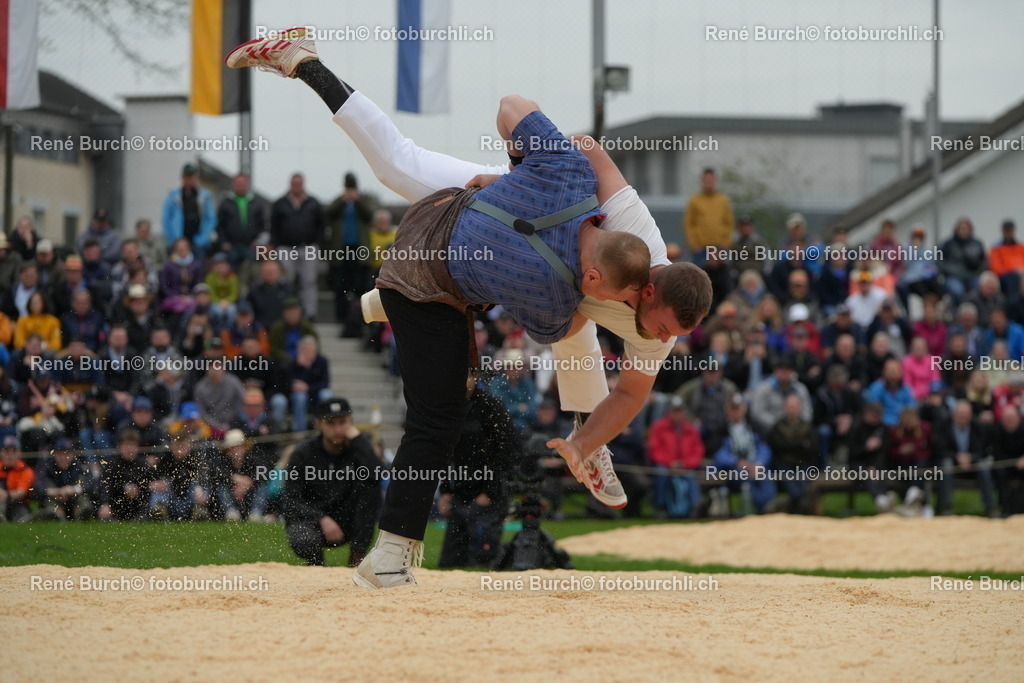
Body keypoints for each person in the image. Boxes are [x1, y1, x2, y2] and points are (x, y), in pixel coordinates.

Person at [228, 29, 713, 578]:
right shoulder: (631, 228)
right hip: (517, 204)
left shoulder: (655, 319)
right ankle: (304, 62)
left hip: (528, 253)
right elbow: (583, 146)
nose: (661, 339)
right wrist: (518, 171)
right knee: (396, 166)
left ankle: (585, 436)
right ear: (646, 288)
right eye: (660, 326)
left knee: (567, 320)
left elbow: (630, 392)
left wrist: (583, 442)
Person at [283, 398, 382, 566]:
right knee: (303, 537)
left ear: (351, 422)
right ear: (319, 424)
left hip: (349, 520)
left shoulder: (359, 448)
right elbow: (290, 500)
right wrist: (321, 518)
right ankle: (317, 564)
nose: (337, 429)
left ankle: (357, 558)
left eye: (343, 422)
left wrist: (358, 440)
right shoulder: (303, 453)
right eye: (330, 423)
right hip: (314, 521)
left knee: (370, 486)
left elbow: (377, 473)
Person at [437, 379, 519, 568]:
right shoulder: (449, 409)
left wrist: (490, 491)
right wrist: (446, 490)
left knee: (484, 561)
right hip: (460, 493)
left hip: (489, 495)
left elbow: (506, 452)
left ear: (474, 376)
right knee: (449, 563)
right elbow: (445, 452)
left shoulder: (491, 406)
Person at [325, 172, 378, 327]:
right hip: (341, 251)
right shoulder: (340, 200)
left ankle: (361, 318)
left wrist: (357, 200)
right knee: (340, 286)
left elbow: (370, 215)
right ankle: (341, 318)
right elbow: (328, 213)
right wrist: (342, 200)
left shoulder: (363, 200)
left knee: (360, 286)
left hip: (359, 251)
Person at [271, 173, 326, 319]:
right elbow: (273, 226)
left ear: (303, 184)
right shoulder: (280, 203)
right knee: (285, 281)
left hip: (308, 247)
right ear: (290, 184)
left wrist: (317, 242)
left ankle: (310, 314)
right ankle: (286, 312)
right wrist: (274, 244)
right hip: (285, 247)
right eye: (294, 183)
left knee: (309, 281)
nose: (296, 186)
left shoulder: (313, 202)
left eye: (299, 183)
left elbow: (322, 225)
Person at [711, 393, 775, 515]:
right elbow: (718, 454)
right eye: (732, 409)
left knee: (765, 477)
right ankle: (759, 509)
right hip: (734, 469)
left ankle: (769, 507)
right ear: (727, 411)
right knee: (745, 478)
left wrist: (758, 464)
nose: (735, 412)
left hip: (755, 466)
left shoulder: (755, 426)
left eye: (738, 409)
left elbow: (764, 448)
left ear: (744, 410)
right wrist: (737, 462)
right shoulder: (721, 429)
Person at [933, 400, 997, 516]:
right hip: (952, 460)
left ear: (971, 415)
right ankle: (946, 507)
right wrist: (957, 456)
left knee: (983, 466)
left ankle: (990, 508)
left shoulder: (977, 426)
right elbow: (940, 449)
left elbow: (982, 448)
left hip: (972, 462)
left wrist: (970, 457)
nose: (963, 417)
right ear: (953, 414)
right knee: (946, 465)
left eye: (966, 414)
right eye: (960, 414)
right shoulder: (944, 426)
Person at [647, 395, 704, 518]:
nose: (677, 415)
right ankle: (661, 507)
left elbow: (697, 451)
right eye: (674, 411)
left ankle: (695, 507)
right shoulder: (658, 427)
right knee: (661, 473)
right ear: (668, 412)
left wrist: (685, 464)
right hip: (665, 465)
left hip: (685, 466)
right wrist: (670, 463)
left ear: (684, 412)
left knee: (691, 476)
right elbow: (654, 449)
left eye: (679, 411)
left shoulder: (690, 429)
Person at [766, 395, 820, 514]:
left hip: (803, 464)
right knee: (796, 492)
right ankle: (793, 509)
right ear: (784, 408)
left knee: (804, 489)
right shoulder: (778, 427)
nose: (792, 410)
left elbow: (813, 448)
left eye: (794, 407)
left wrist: (789, 444)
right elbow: (777, 446)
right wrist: (800, 444)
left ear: (799, 408)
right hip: (784, 465)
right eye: (789, 407)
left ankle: (792, 509)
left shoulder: (807, 427)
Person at [98, 428, 154, 521]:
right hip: (116, 505)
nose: (129, 449)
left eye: (132, 445)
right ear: (119, 447)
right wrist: (105, 504)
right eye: (126, 445)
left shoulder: (143, 465)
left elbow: (150, 485)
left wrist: (139, 488)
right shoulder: (112, 465)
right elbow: (105, 487)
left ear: (137, 447)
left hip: (138, 506)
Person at [162, 163, 216, 257]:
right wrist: (173, 240)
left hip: (198, 240)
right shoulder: (173, 196)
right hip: (179, 241)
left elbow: (211, 219)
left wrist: (203, 238)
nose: (189, 179)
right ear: (182, 177)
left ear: (196, 178)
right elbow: (166, 219)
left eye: (192, 176)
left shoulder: (204, 196)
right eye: (187, 176)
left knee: (198, 264)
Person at [34, 437, 95, 521]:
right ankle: (55, 514)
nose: (63, 457)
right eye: (60, 454)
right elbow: (38, 485)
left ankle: (81, 513)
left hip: (74, 498)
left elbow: (90, 482)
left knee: (83, 496)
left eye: (67, 454)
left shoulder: (80, 466)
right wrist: (55, 491)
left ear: (73, 455)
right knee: (49, 498)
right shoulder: (47, 466)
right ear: (54, 454)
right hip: (55, 498)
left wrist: (74, 489)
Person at [217, 173, 269, 268]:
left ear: (247, 184)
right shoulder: (226, 203)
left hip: (251, 247)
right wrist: (224, 242)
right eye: (237, 184)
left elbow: (263, 225)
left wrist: (258, 243)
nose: (240, 186)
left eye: (242, 184)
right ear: (233, 185)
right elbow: (220, 225)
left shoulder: (257, 203)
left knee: (250, 271)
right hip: (231, 247)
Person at [682, 168, 734, 264]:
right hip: (701, 249)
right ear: (702, 181)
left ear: (715, 181)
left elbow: (729, 223)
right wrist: (694, 245)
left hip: (720, 248)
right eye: (706, 180)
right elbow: (689, 224)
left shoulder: (723, 200)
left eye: (711, 180)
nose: (708, 182)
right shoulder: (695, 200)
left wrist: (725, 243)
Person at [938, 217, 987, 304]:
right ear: (957, 230)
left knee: (981, 288)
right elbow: (939, 261)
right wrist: (949, 271)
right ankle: (959, 310)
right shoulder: (948, 244)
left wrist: (976, 271)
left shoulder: (977, 244)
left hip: (972, 276)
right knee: (957, 291)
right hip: (953, 277)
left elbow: (984, 262)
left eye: (966, 229)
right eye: (962, 229)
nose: (964, 231)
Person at [0, 435, 33, 521]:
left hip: (17, 504)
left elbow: (21, 492)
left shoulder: (25, 470)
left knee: (22, 519)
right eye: (7, 451)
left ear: (19, 453)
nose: (10, 455)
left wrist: (6, 495)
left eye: (13, 452)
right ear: (1, 453)